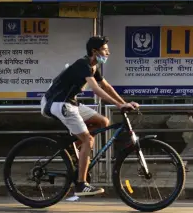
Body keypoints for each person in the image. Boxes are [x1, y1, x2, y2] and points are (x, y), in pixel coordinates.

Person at [41, 36, 138, 197]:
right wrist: (119, 106)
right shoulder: (82, 64)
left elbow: (106, 86)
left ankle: (75, 152)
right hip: (58, 103)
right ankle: (80, 184)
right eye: (105, 50)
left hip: (70, 103)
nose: (108, 53)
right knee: (88, 139)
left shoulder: (93, 67)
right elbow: (96, 89)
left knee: (103, 121)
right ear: (95, 51)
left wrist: (125, 103)